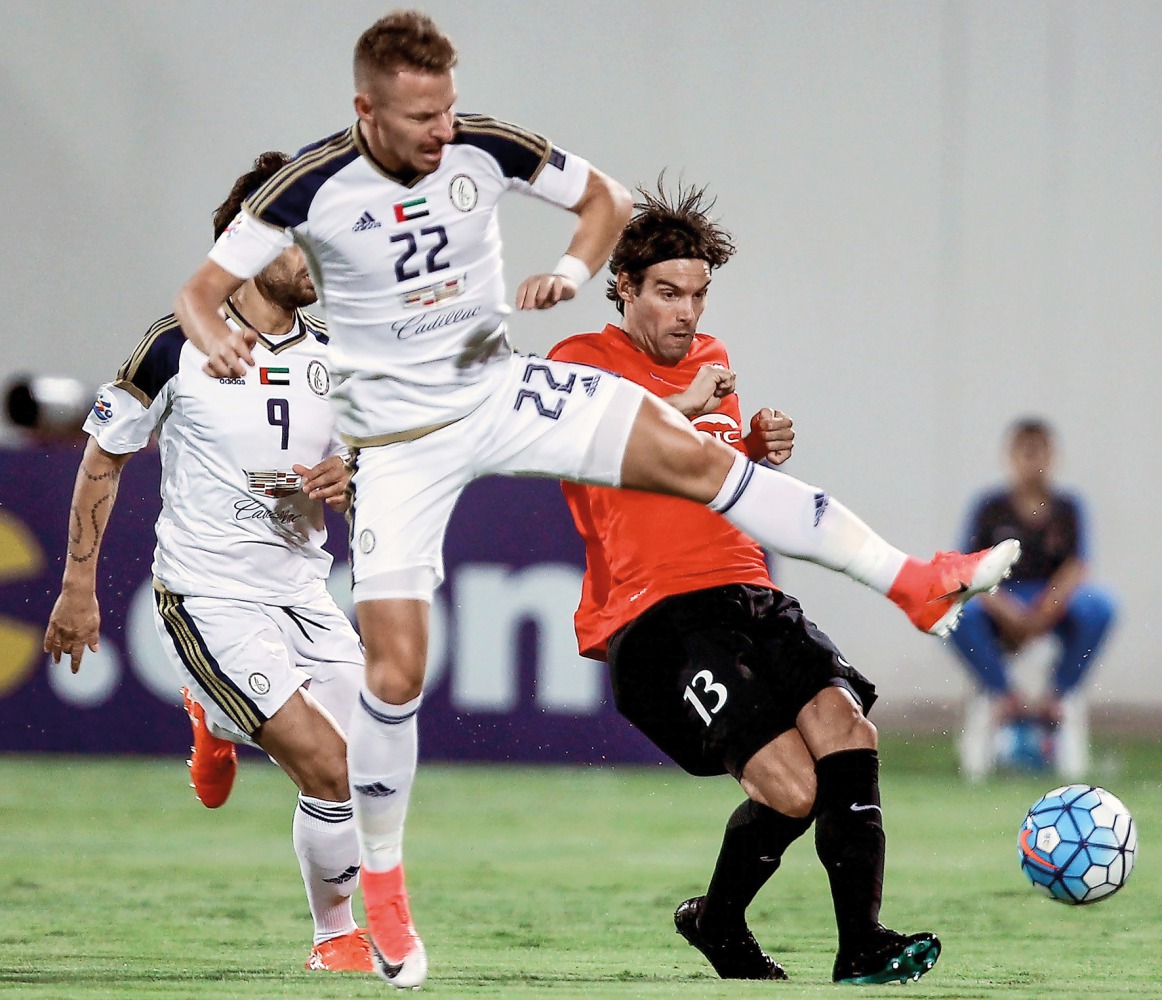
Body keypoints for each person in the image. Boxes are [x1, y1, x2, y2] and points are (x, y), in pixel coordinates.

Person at [171, 12, 1019, 989]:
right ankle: (396, 887)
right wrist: (219, 338)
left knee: (837, 712)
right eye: (668, 294)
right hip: (606, 578)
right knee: (403, 674)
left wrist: (585, 281)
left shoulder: (500, 164)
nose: (442, 130)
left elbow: (605, 210)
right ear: (367, 110)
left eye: (448, 108)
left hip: (704, 558)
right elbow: (204, 292)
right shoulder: (340, 206)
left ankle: (904, 623)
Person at [548, 181, 953, 984]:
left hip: (748, 590)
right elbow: (602, 441)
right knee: (792, 789)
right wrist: (682, 403)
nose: (687, 313)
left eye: (698, 294)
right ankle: (719, 922)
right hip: (659, 618)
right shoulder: (578, 362)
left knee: (849, 733)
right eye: (668, 293)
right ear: (624, 287)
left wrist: (753, 452)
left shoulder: (712, 358)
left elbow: (710, 476)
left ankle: (862, 945)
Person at [43, 152, 375, 974]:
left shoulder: (339, 356)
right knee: (327, 766)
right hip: (208, 595)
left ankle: (215, 717)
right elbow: (104, 457)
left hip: (302, 590)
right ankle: (336, 939)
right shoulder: (175, 345)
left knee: (366, 767)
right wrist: (78, 588)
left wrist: (353, 476)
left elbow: (377, 472)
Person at [950, 417, 1116, 780]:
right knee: (953, 612)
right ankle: (1002, 694)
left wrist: (1043, 611)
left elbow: (1076, 567)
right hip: (1000, 595)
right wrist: (1005, 609)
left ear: (1053, 455)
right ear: (1010, 456)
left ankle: (1059, 694)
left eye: (1039, 452)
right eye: (1024, 452)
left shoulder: (1067, 507)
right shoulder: (990, 507)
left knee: (1101, 607)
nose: (1032, 461)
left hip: (1051, 597)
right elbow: (967, 568)